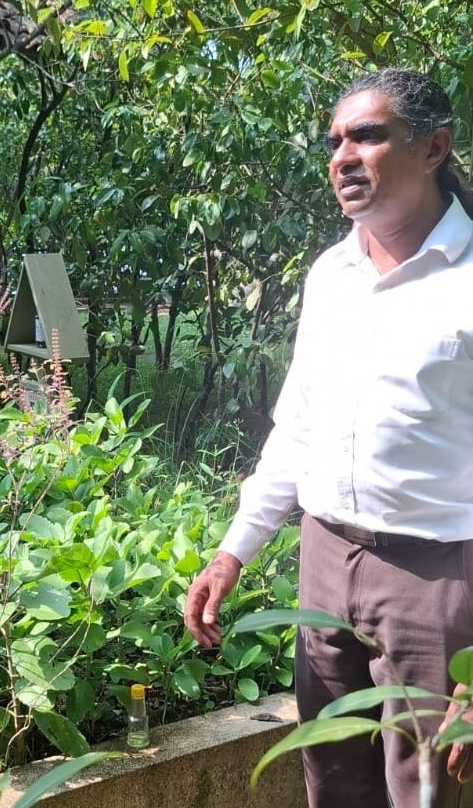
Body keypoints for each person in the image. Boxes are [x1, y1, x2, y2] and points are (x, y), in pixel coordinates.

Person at [184, 68, 473, 808]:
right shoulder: (331, 273)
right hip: (325, 563)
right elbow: (300, 425)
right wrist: (233, 549)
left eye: (368, 135)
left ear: (434, 146)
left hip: (439, 580)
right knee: (331, 778)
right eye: (334, 140)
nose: (343, 155)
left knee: (426, 790)